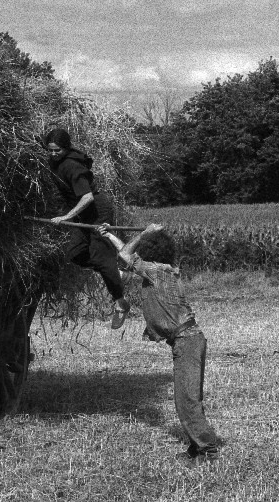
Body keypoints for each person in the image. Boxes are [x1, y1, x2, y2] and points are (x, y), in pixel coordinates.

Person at [98, 222, 221, 464]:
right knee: (187, 397)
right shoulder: (159, 270)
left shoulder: (157, 272)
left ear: (149, 249)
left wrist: (143, 234)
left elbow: (126, 256)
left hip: (187, 341)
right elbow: (127, 254)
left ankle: (208, 450)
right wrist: (109, 235)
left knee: (186, 400)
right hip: (186, 341)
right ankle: (196, 446)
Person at [44, 128, 130, 328]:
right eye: (50, 150)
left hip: (97, 211)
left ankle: (120, 302)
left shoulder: (71, 166)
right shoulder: (56, 160)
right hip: (82, 212)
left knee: (102, 256)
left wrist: (66, 217)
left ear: (66, 148)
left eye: (57, 150)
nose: (53, 154)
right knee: (74, 253)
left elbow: (87, 197)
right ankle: (114, 270)